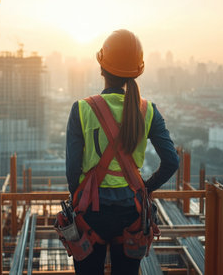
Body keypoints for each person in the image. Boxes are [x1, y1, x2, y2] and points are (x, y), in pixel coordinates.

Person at [65, 29, 179, 275]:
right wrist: (145, 189)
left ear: (101, 68)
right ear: (137, 72)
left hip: (91, 213)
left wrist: (80, 199)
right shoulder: (148, 111)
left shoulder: (82, 109)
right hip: (132, 213)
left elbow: (73, 172)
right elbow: (171, 162)